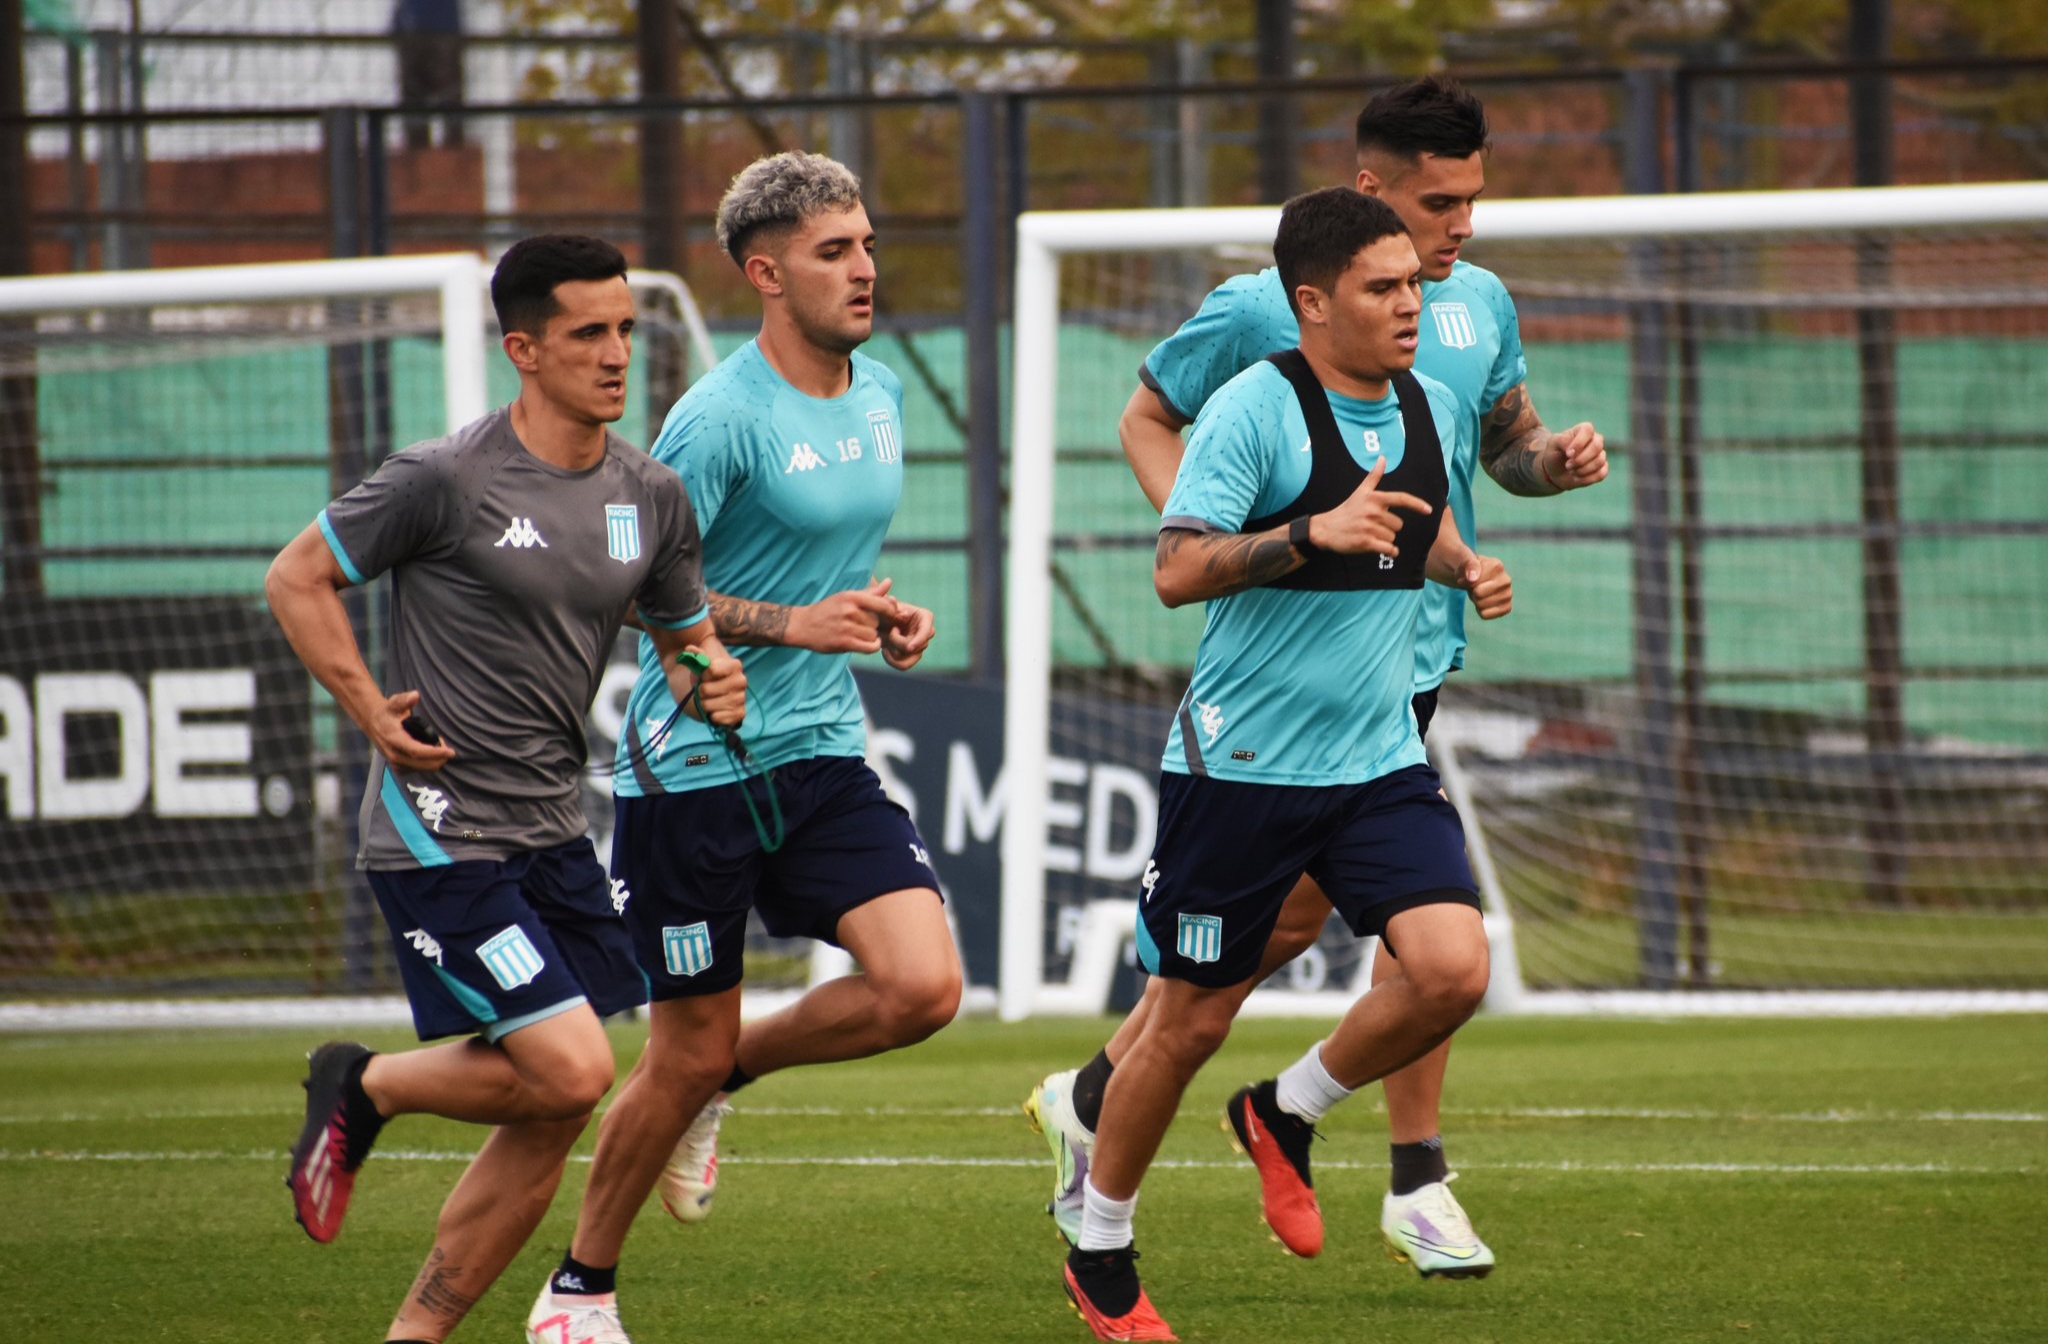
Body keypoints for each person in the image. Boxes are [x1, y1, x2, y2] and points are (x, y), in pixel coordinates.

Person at [1027, 73, 1607, 1280]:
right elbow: (1150, 425)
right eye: (1434, 205)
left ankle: (1383, 1163)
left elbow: (1494, 453)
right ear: (1367, 195)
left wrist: (1552, 464)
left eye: (1468, 205)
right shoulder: (1261, 316)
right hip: (1276, 685)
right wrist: (1252, 547)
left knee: (1413, 938)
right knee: (1235, 964)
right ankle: (1143, 1130)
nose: (1456, 233)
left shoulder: (1474, 305)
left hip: (1401, 663)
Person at [268, 233, 745, 1344]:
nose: (617, 353)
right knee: (573, 1064)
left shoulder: (652, 494)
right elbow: (297, 577)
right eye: (588, 333)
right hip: (441, 828)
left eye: (628, 329)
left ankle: (414, 1335)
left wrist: (709, 677)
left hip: (552, 827)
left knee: (558, 1099)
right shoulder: (446, 477)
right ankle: (368, 1082)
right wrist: (369, 711)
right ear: (523, 348)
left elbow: (683, 637)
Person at [1061, 187, 1511, 1343]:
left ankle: (1286, 1109)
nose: (1409, 304)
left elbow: (1423, 518)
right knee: (1185, 1023)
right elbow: (1175, 570)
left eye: (1413, 283)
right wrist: (1307, 533)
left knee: (1451, 969)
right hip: (1242, 773)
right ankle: (1099, 1242)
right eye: (1381, 287)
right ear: (1310, 303)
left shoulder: (1416, 400)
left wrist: (1462, 566)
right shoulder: (1254, 411)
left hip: (1372, 767)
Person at [528, 152, 960, 1344]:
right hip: (694, 769)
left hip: (817, 748)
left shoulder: (878, 394)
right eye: (834, 252)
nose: (865, 269)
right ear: (763, 273)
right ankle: (578, 1289)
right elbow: (628, 588)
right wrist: (786, 625)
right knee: (675, 1053)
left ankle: (730, 1074)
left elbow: (813, 576)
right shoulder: (715, 418)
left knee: (922, 988)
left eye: (867, 244)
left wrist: (873, 614)